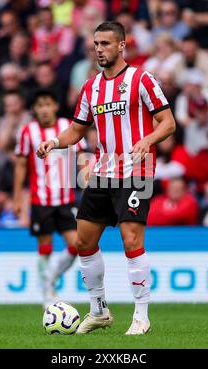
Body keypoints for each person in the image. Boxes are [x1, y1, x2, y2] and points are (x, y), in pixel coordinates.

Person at [36, 21, 176, 335]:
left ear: (122, 45)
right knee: (84, 241)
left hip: (136, 171)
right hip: (102, 172)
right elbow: (76, 129)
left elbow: (168, 123)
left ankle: (141, 316)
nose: (99, 49)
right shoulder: (91, 87)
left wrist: (148, 140)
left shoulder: (141, 79)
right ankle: (99, 310)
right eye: (96, 44)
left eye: (106, 44)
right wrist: (54, 143)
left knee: (131, 241)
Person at [14, 88, 86, 307]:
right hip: (40, 200)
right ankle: (48, 293)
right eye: (39, 105)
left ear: (55, 105)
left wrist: (86, 175)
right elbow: (20, 165)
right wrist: (17, 197)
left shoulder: (67, 127)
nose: (44, 109)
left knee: (77, 245)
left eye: (47, 104)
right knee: (44, 247)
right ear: (34, 109)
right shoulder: (28, 131)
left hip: (65, 199)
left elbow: (81, 153)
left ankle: (51, 277)